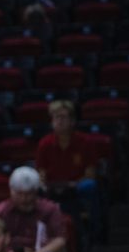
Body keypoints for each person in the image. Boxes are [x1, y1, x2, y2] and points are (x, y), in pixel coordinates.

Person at [36, 100, 103, 237]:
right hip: (53, 187)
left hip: (77, 186)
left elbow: (90, 173)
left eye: (63, 117)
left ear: (72, 121)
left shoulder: (85, 142)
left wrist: (72, 185)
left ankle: (96, 232)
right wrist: (45, 185)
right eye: (56, 117)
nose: (59, 121)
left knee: (90, 186)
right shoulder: (45, 144)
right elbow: (41, 173)